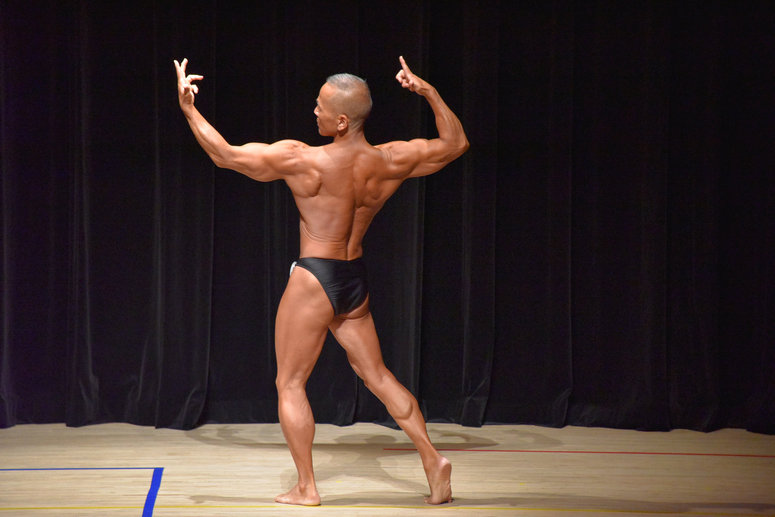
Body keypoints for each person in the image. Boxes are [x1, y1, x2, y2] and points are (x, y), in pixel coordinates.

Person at [174, 56, 469, 506]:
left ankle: (307, 487)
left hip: (314, 278)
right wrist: (427, 91)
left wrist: (189, 108)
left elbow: (225, 155)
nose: (314, 112)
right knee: (377, 375)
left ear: (342, 120)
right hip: (352, 279)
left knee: (290, 384)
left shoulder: (304, 159)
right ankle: (432, 458)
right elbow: (455, 143)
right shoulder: (390, 159)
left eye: (321, 107)